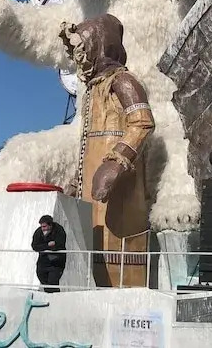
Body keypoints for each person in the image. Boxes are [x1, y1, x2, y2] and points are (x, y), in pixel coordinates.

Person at [60, 15, 155, 288]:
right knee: (94, 245)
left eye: (83, 50)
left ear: (99, 46)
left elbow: (142, 122)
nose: (79, 58)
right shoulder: (93, 90)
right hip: (93, 193)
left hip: (120, 189)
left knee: (120, 246)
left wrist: (116, 163)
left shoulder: (123, 81)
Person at [32, 215, 67, 293]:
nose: (43, 229)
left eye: (44, 226)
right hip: (43, 262)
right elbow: (34, 246)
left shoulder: (59, 230)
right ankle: (50, 296)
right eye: (41, 227)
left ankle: (55, 299)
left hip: (56, 262)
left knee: (52, 282)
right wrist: (47, 245)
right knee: (42, 277)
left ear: (50, 225)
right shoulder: (39, 232)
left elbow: (59, 245)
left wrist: (48, 247)